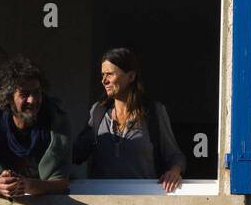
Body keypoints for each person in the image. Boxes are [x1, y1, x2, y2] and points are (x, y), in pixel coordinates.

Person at [72, 47, 186, 192]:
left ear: (131, 76)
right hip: (102, 203)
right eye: (102, 75)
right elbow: (76, 154)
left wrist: (174, 172)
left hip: (142, 202)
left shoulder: (154, 113)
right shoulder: (98, 112)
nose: (103, 81)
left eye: (110, 74)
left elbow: (175, 155)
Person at [0, 56, 71, 198]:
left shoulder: (56, 124)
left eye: (37, 92)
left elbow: (61, 182)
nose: (32, 100)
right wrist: (0, 185)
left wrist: (28, 185)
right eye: (24, 94)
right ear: (8, 97)